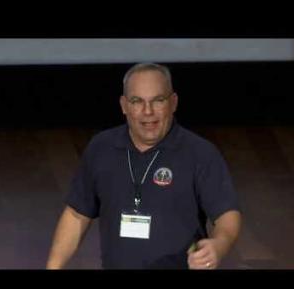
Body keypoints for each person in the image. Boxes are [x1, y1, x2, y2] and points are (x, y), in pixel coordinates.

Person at [46, 62, 241, 269]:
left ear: (173, 102)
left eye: (158, 100)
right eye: (137, 101)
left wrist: (220, 245)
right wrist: (53, 266)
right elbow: (77, 214)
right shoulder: (101, 148)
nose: (147, 111)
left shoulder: (200, 153)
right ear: (124, 105)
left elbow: (227, 215)